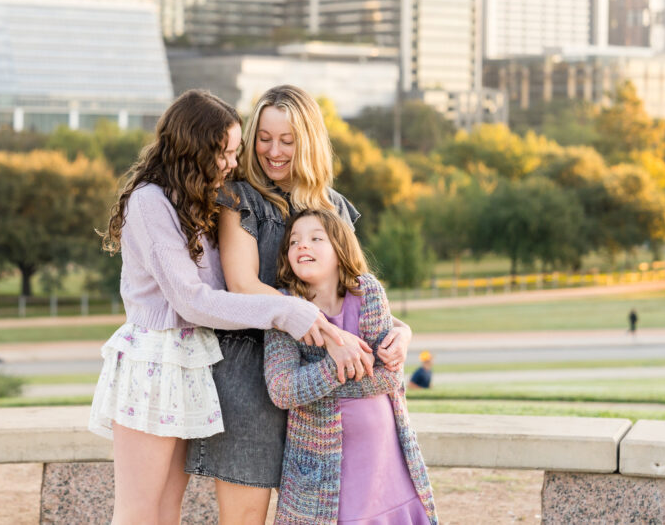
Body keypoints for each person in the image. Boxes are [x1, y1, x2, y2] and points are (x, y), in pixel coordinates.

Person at [88, 89, 346, 525]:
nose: (232, 163)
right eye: (224, 153)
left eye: (234, 151)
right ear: (194, 149)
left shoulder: (192, 200)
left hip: (190, 362)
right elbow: (192, 301)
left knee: (166, 509)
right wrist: (288, 311)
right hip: (155, 363)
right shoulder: (150, 203)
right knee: (138, 512)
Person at [186, 85, 413, 524]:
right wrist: (330, 333)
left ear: (307, 140)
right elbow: (243, 286)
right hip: (249, 381)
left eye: (287, 140)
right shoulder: (239, 198)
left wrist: (401, 331)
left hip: (324, 392)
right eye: (264, 138)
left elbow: (357, 292)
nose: (273, 151)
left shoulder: (335, 209)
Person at [264, 209, 438, 524]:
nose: (303, 246)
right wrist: (336, 364)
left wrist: (320, 381)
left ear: (339, 249)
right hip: (321, 470)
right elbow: (283, 390)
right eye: (294, 241)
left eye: (316, 238)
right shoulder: (285, 309)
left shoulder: (367, 293)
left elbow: (388, 375)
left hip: (384, 459)